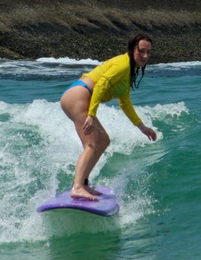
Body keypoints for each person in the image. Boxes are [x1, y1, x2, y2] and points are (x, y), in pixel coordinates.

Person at [60, 34, 158, 201]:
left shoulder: (129, 69)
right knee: (92, 143)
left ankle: (83, 184)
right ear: (132, 49)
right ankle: (77, 187)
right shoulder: (122, 65)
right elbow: (100, 86)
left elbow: (124, 101)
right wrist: (91, 115)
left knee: (102, 141)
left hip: (80, 96)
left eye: (148, 52)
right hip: (79, 95)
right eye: (141, 51)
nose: (145, 56)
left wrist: (142, 127)